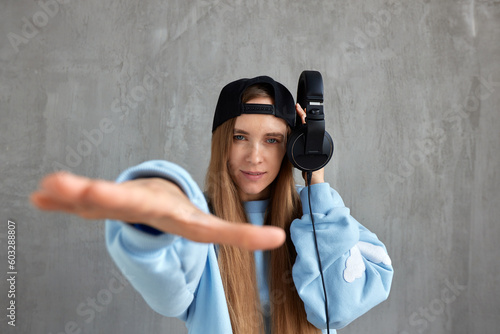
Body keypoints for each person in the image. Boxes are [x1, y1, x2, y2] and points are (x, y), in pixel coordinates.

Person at [31, 75, 393, 334]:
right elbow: (167, 290)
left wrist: (316, 180)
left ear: (293, 147)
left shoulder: (325, 221)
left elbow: (339, 308)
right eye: (240, 137)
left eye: (272, 139)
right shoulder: (197, 223)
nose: (254, 156)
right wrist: (154, 215)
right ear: (222, 142)